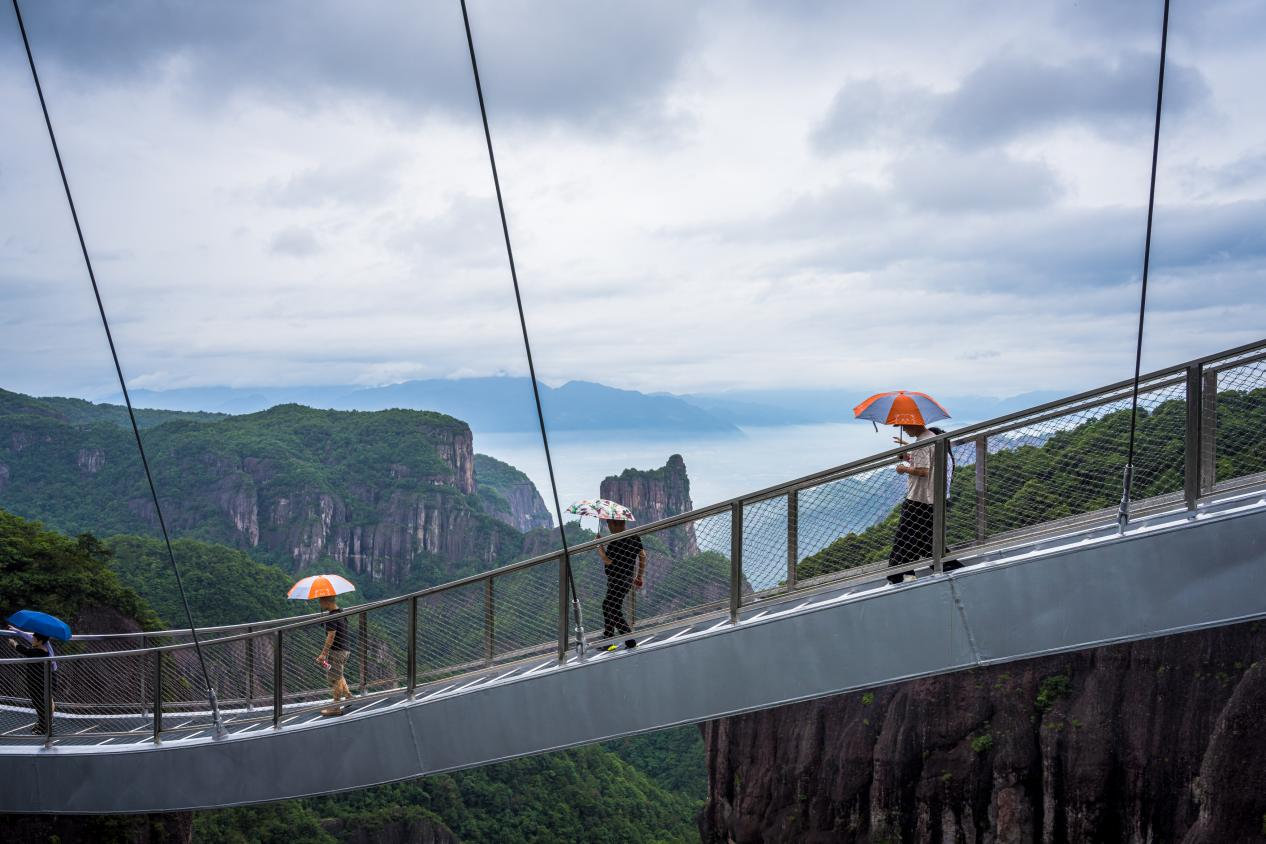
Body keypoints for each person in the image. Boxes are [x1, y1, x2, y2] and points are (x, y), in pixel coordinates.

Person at [888, 424, 935, 584]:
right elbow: (924, 461)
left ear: (913, 425)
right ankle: (943, 564)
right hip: (929, 497)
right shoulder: (931, 437)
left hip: (917, 498)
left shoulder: (921, 443)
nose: (905, 431)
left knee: (903, 538)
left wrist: (903, 469)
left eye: (905, 427)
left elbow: (923, 471)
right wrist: (907, 456)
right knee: (923, 539)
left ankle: (896, 575)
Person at [597, 519, 646, 649]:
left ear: (615, 524)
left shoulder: (615, 542)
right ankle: (608, 640)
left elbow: (608, 561)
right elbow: (643, 556)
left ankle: (629, 640)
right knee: (608, 605)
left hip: (616, 580)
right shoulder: (634, 537)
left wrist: (599, 547)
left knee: (612, 608)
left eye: (609, 524)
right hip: (627, 579)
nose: (608, 527)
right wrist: (639, 576)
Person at [6, 627, 56, 734]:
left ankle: (44, 727)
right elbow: (28, 641)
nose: (31, 639)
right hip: (39, 682)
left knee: (39, 704)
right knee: (42, 703)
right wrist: (16, 630)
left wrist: (14, 643)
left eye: (34, 639)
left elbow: (25, 651)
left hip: (37, 683)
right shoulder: (44, 649)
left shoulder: (38, 652)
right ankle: (44, 724)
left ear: (40, 641)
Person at [316, 595, 352, 716]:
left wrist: (323, 654)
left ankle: (336, 708)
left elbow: (331, 636)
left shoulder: (332, 617)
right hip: (345, 650)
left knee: (335, 679)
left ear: (326, 602)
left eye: (321, 602)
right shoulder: (341, 612)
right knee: (338, 675)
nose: (320, 604)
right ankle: (348, 696)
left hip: (336, 652)